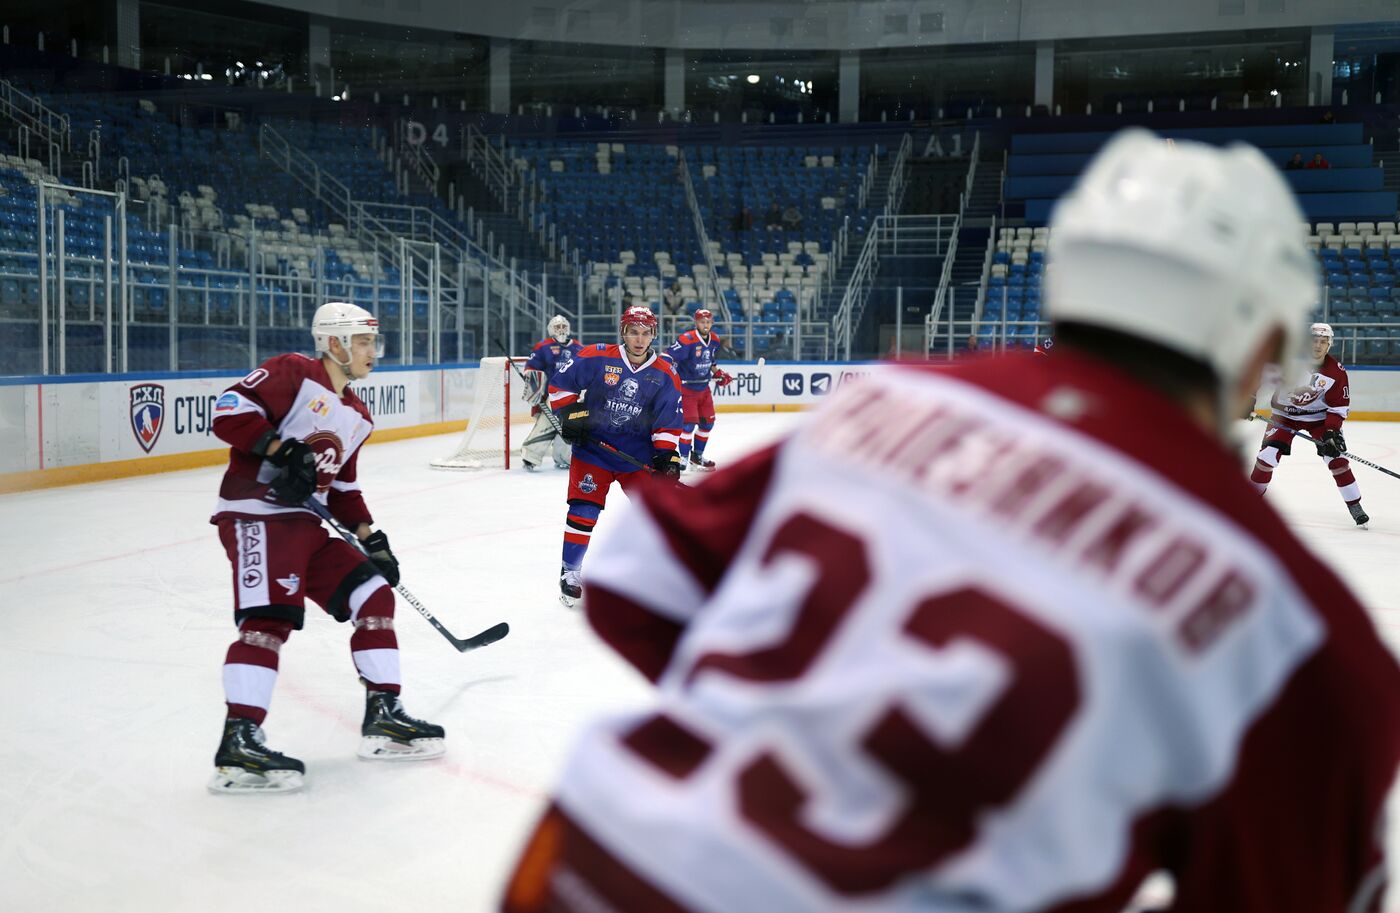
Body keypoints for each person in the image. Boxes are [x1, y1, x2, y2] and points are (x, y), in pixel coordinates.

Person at [499, 130, 1400, 912]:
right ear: (1257, 340)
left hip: (589, 863)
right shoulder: (1305, 630)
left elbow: (634, 581)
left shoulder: (894, 399)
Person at [208, 302, 444, 794]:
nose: (371, 351)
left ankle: (383, 714)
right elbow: (230, 411)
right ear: (334, 343)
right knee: (267, 622)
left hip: (306, 526)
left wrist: (371, 538)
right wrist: (280, 449)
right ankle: (240, 742)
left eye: (372, 342)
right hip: (257, 514)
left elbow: (341, 488)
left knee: (374, 592)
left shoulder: (358, 414)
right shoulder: (294, 371)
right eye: (362, 342)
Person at [549, 305, 684, 606]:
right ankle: (570, 572)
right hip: (593, 451)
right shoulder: (597, 356)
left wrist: (666, 458)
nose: (639, 339)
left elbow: (667, 422)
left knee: (654, 516)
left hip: (637, 455)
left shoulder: (665, 374)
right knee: (584, 511)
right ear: (623, 332)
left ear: (653, 335)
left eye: (645, 333)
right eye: (633, 332)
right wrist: (573, 416)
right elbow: (559, 387)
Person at [1250, 322, 1369, 527]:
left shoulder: (1335, 373)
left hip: (1319, 419)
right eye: (1315, 341)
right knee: (1266, 456)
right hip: (1284, 415)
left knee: (1337, 459)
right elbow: (1256, 377)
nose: (1318, 346)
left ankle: (1355, 505)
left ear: (1329, 345)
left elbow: (1338, 407)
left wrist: (1331, 430)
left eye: (1324, 342)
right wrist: (1249, 399)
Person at [666, 307, 732, 471]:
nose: (706, 325)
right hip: (687, 389)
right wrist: (666, 375)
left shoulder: (715, 340)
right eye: (702, 322)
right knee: (688, 426)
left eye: (708, 322)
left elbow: (712, 363)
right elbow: (667, 356)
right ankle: (683, 458)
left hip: (704, 389)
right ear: (696, 322)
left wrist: (719, 374)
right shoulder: (687, 339)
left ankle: (697, 456)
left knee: (707, 424)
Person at [521, 314, 583, 472]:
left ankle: (563, 456)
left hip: (573, 395)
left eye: (563, 326)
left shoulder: (578, 347)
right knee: (546, 424)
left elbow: (586, 369)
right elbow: (532, 367)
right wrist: (532, 380)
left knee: (568, 427)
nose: (561, 329)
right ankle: (530, 456)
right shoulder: (543, 347)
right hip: (553, 394)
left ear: (568, 328)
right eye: (557, 327)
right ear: (550, 329)